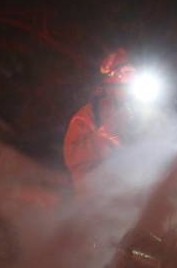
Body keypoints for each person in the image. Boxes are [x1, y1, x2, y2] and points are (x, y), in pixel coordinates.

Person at [63, 49, 151, 193]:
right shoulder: (88, 114)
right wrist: (103, 140)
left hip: (134, 195)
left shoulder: (143, 114)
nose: (129, 91)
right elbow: (71, 157)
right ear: (109, 87)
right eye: (124, 84)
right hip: (97, 198)